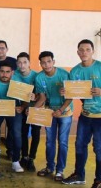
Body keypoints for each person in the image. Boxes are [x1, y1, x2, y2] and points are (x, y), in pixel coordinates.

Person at [62, 39, 101, 188]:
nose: (84, 52)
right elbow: (72, 93)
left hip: (100, 117)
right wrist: (66, 92)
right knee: (79, 145)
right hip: (85, 116)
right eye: (81, 50)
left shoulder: (100, 67)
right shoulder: (75, 71)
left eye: (87, 49)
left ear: (93, 51)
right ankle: (79, 175)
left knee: (99, 148)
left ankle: (99, 179)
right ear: (77, 52)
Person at [34, 51, 72, 182]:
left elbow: (70, 96)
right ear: (40, 64)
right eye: (43, 62)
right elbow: (42, 98)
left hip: (65, 112)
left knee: (62, 142)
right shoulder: (39, 78)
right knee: (50, 141)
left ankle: (60, 170)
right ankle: (50, 167)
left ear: (53, 62)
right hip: (49, 112)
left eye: (49, 61)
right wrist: (33, 110)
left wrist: (61, 110)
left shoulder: (64, 74)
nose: (46, 65)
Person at [0, 61, 24, 172]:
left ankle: (16, 161)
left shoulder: (18, 81)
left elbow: (25, 98)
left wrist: (22, 107)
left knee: (16, 134)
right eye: (2, 71)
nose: (4, 74)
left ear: (12, 73)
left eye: (7, 72)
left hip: (14, 109)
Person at [12, 52, 39, 172]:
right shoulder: (14, 75)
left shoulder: (36, 76)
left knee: (35, 133)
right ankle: (24, 156)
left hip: (35, 108)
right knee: (23, 132)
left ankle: (31, 158)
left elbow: (42, 95)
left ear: (29, 63)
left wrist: (36, 96)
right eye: (19, 62)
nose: (22, 65)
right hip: (21, 108)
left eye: (24, 62)